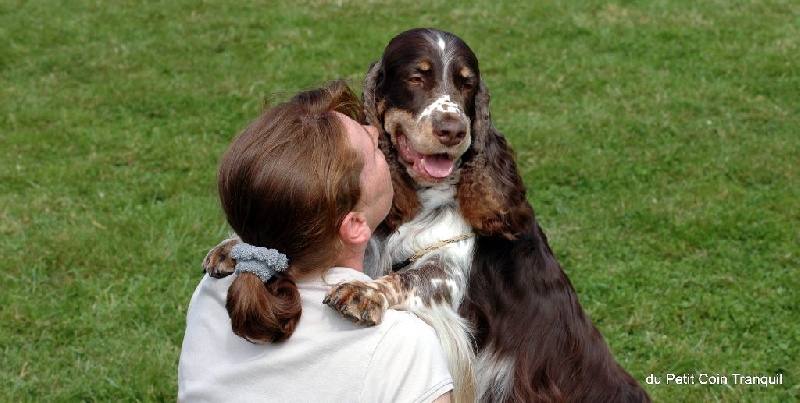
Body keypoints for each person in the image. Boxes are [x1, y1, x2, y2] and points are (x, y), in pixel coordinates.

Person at [177, 80, 453, 402]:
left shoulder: (214, 295)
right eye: (372, 149)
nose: (377, 132)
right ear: (355, 225)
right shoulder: (399, 344)